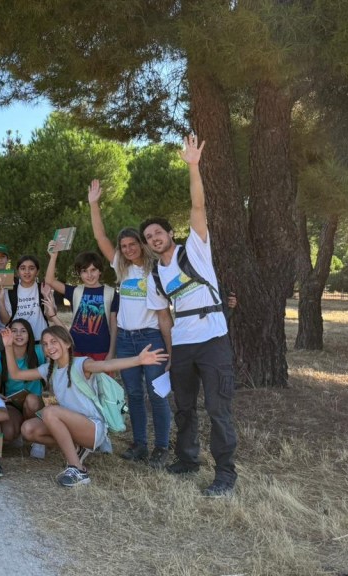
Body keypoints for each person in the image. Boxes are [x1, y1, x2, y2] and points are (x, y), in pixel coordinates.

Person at [142, 134, 239, 498]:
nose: (154, 238)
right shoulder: (155, 275)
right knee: (184, 408)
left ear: (170, 233)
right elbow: (164, 317)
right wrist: (169, 355)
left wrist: (193, 166)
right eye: (148, 236)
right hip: (182, 345)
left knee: (217, 409)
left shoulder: (195, 250)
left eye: (158, 232)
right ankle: (187, 459)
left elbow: (198, 208)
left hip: (212, 339)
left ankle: (225, 474)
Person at [6, 326, 167, 488]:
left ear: (67, 343)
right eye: (46, 344)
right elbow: (16, 374)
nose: (49, 347)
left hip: (92, 429)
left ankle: (77, 469)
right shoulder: (49, 369)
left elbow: (106, 365)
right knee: (28, 429)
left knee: (50, 412)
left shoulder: (81, 364)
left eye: (54, 342)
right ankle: (76, 447)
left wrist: (138, 360)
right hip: (73, 427)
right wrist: (7, 345)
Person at [88, 178, 174, 468]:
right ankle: (140, 444)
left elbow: (164, 316)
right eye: (123, 246)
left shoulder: (155, 270)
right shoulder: (121, 270)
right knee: (134, 394)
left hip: (151, 338)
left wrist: (171, 350)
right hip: (125, 339)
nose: (127, 249)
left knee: (157, 393)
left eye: (132, 244)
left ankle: (161, 447)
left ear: (141, 244)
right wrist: (94, 204)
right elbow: (100, 238)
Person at [44, 245, 119, 361]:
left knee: (102, 379)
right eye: (84, 271)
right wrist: (53, 257)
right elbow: (49, 280)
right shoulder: (75, 291)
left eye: (93, 270)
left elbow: (114, 326)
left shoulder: (111, 293)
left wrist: (112, 351)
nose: (89, 275)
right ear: (79, 273)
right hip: (77, 347)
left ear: (100, 271)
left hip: (102, 349)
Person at [0, 321, 48, 450]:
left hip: (36, 403)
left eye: (23, 331)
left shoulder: (39, 351)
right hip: (13, 402)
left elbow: (65, 345)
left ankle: (37, 440)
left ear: (29, 335)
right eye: (14, 330)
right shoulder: (2, 355)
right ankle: (20, 432)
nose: (19, 334)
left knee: (31, 400)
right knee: (7, 433)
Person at [10, 255, 50, 341]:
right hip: (18, 339)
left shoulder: (43, 288)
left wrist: (46, 297)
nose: (27, 272)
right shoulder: (11, 291)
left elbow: (50, 316)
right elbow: (5, 319)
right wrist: (1, 298)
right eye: (23, 268)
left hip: (41, 338)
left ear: (37, 272)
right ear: (18, 272)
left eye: (31, 268)